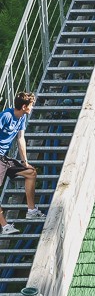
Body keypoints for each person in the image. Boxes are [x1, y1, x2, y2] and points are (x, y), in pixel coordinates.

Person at [0, 92, 45, 237]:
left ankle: (31, 211)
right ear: (24, 106)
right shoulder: (6, 115)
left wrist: (25, 162)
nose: (32, 108)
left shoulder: (22, 117)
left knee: (31, 173)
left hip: (4, 158)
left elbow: (20, 139)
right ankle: (5, 226)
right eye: (31, 105)